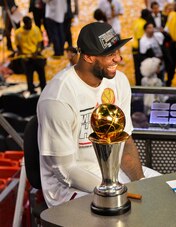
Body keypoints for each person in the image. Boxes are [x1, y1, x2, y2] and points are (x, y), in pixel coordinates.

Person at [37, 22, 160, 207]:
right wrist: (113, 191)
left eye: (118, 51)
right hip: (69, 188)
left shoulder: (119, 81)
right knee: (124, 209)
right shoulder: (58, 97)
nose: (118, 59)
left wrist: (140, 183)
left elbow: (125, 142)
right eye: (110, 54)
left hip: (113, 172)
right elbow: (66, 170)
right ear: (87, 57)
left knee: (162, 192)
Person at [14, 16, 46, 94]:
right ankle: (31, 91)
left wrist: (36, 52)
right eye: (29, 24)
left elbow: (39, 41)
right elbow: (17, 44)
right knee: (29, 75)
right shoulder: (18, 32)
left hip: (36, 56)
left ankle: (44, 90)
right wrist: (21, 52)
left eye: (31, 23)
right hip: (26, 58)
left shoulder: (36, 29)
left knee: (41, 74)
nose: (31, 25)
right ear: (24, 24)